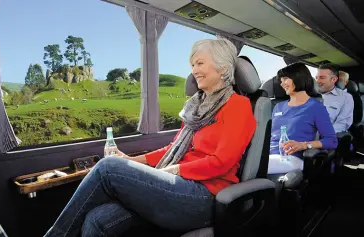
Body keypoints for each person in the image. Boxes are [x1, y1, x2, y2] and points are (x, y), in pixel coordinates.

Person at [44, 38, 256, 237]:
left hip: (204, 197)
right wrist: (130, 161)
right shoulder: (195, 109)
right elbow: (172, 149)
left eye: (200, 63)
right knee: (96, 220)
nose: (194, 71)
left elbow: (222, 162)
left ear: (222, 68)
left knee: (107, 168)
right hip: (178, 186)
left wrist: (175, 170)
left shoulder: (238, 106)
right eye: (192, 65)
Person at [268, 63, 337, 174]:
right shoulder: (278, 106)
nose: (281, 84)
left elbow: (332, 141)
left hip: (292, 158)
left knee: (250, 170)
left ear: (298, 78)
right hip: (268, 156)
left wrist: (304, 145)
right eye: (281, 80)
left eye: (285, 79)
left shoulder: (316, 107)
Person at [316, 64, 354, 133]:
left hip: (326, 138)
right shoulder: (309, 94)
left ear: (334, 79)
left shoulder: (346, 97)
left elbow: (342, 124)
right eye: (317, 78)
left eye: (322, 78)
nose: (317, 81)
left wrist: (320, 135)